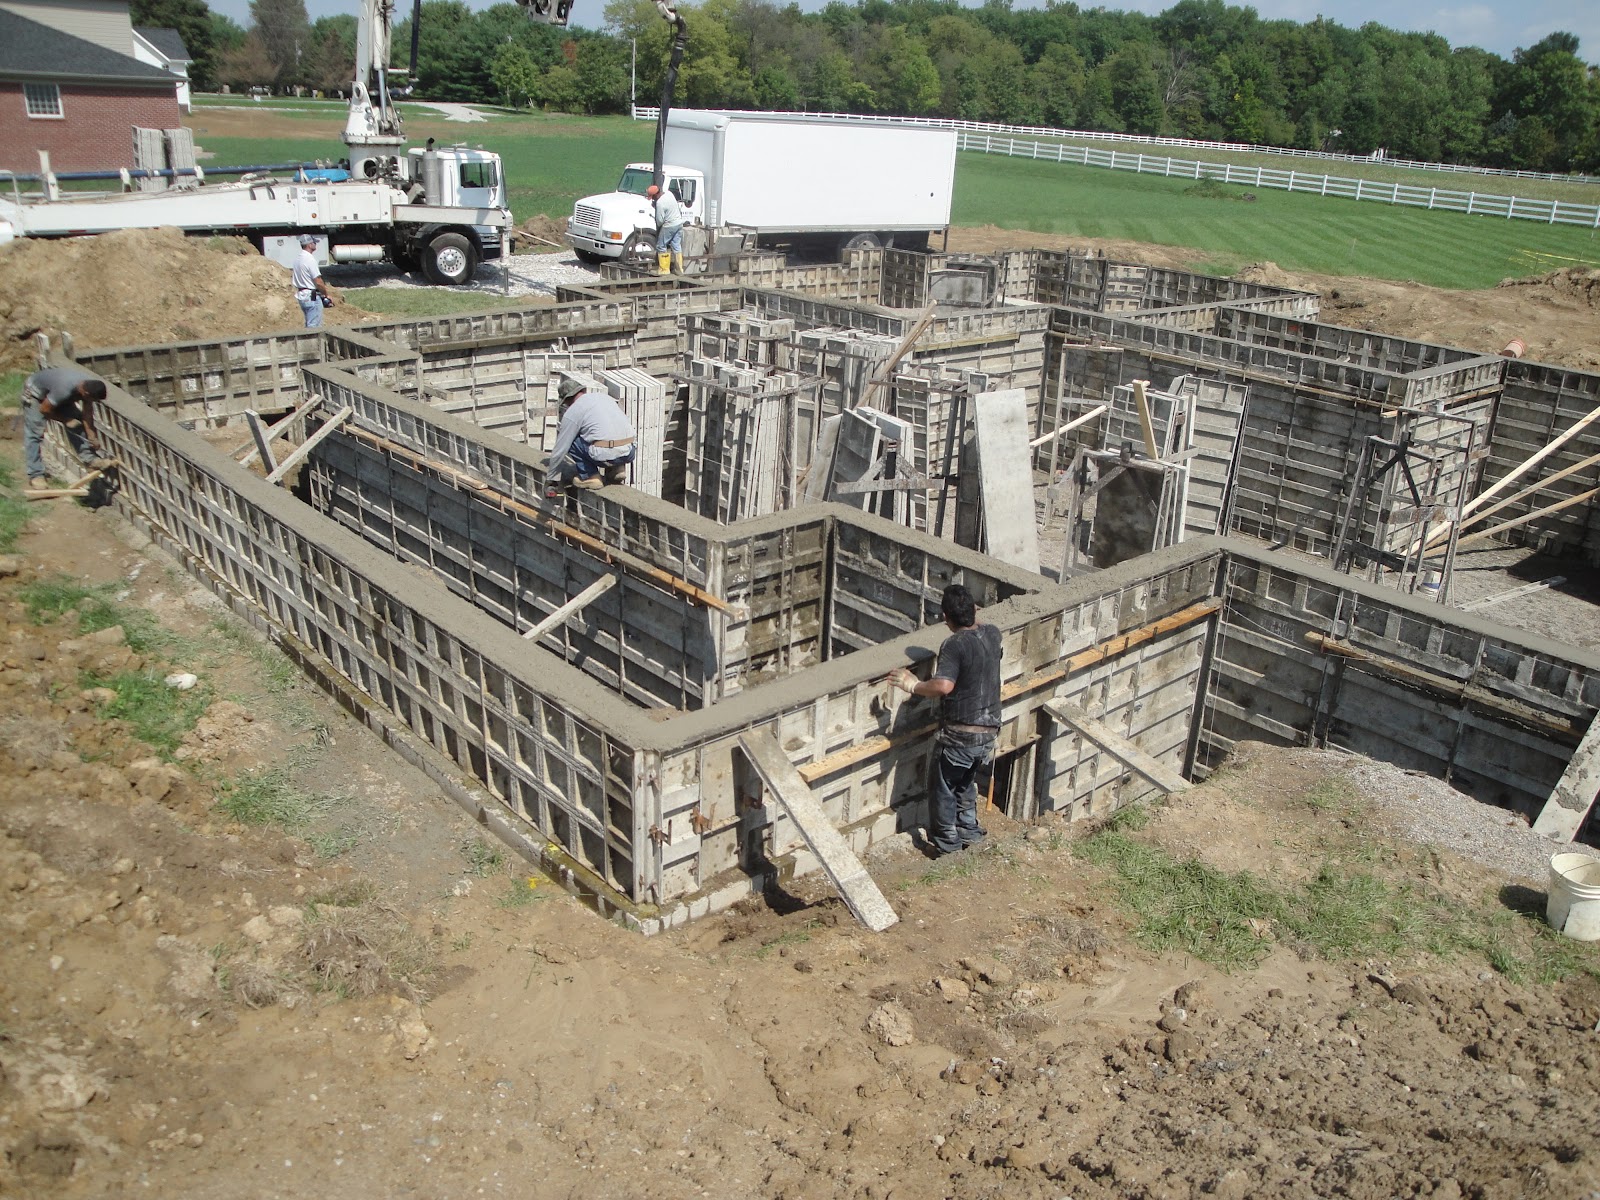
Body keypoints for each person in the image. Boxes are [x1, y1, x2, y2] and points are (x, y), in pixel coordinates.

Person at [890, 584, 1003, 856]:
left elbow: (943, 686)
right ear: (975, 610)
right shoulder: (992, 633)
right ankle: (970, 833)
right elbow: (979, 624)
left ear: (944, 617)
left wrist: (913, 685)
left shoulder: (954, 645)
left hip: (960, 737)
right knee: (964, 784)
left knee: (943, 791)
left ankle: (948, 848)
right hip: (988, 733)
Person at [545, 376, 636, 496]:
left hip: (603, 455)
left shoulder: (573, 411)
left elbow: (560, 448)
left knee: (571, 441)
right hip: (629, 452)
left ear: (567, 400)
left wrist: (552, 479)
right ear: (581, 391)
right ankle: (617, 470)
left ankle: (590, 476)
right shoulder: (605, 398)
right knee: (606, 434)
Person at [22, 367, 110, 490]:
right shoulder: (64, 389)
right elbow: (44, 409)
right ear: (85, 394)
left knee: (77, 422)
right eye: (92, 400)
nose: (91, 402)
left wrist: (92, 436)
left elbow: (87, 414)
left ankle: (90, 459)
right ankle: (36, 474)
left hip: (56, 396)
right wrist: (66, 420)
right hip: (36, 394)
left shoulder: (89, 385)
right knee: (35, 432)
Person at [291, 234, 333, 327]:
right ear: (309, 245)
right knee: (314, 327)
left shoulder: (298, 258)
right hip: (311, 297)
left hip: (302, 296)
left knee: (309, 324)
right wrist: (326, 294)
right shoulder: (309, 259)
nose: (315, 244)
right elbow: (318, 281)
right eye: (314, 243)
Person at [646, 183, 683, 275]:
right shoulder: (669, 194)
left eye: (652, 197)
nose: (653, 199)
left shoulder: (660, 203)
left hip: (669, 225)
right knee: (676, 245)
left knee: (661, 246)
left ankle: (664, 270)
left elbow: (659, 221)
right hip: (679, 223)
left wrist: (656, 209)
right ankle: (679, 270)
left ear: (655, 195)